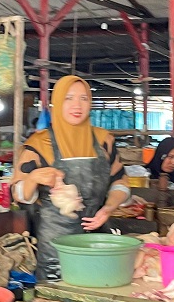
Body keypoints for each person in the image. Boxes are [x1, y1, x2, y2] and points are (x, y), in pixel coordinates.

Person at [12, 75, 131, 282]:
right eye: (69, 98)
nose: (77, 105)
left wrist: (108, 208)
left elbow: (120, 183)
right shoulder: (40, 144)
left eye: (83, 99)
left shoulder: (104, 140)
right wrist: (33, 179)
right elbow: (18, 195)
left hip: (97, 243)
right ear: (56, 103)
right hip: (55, 250)